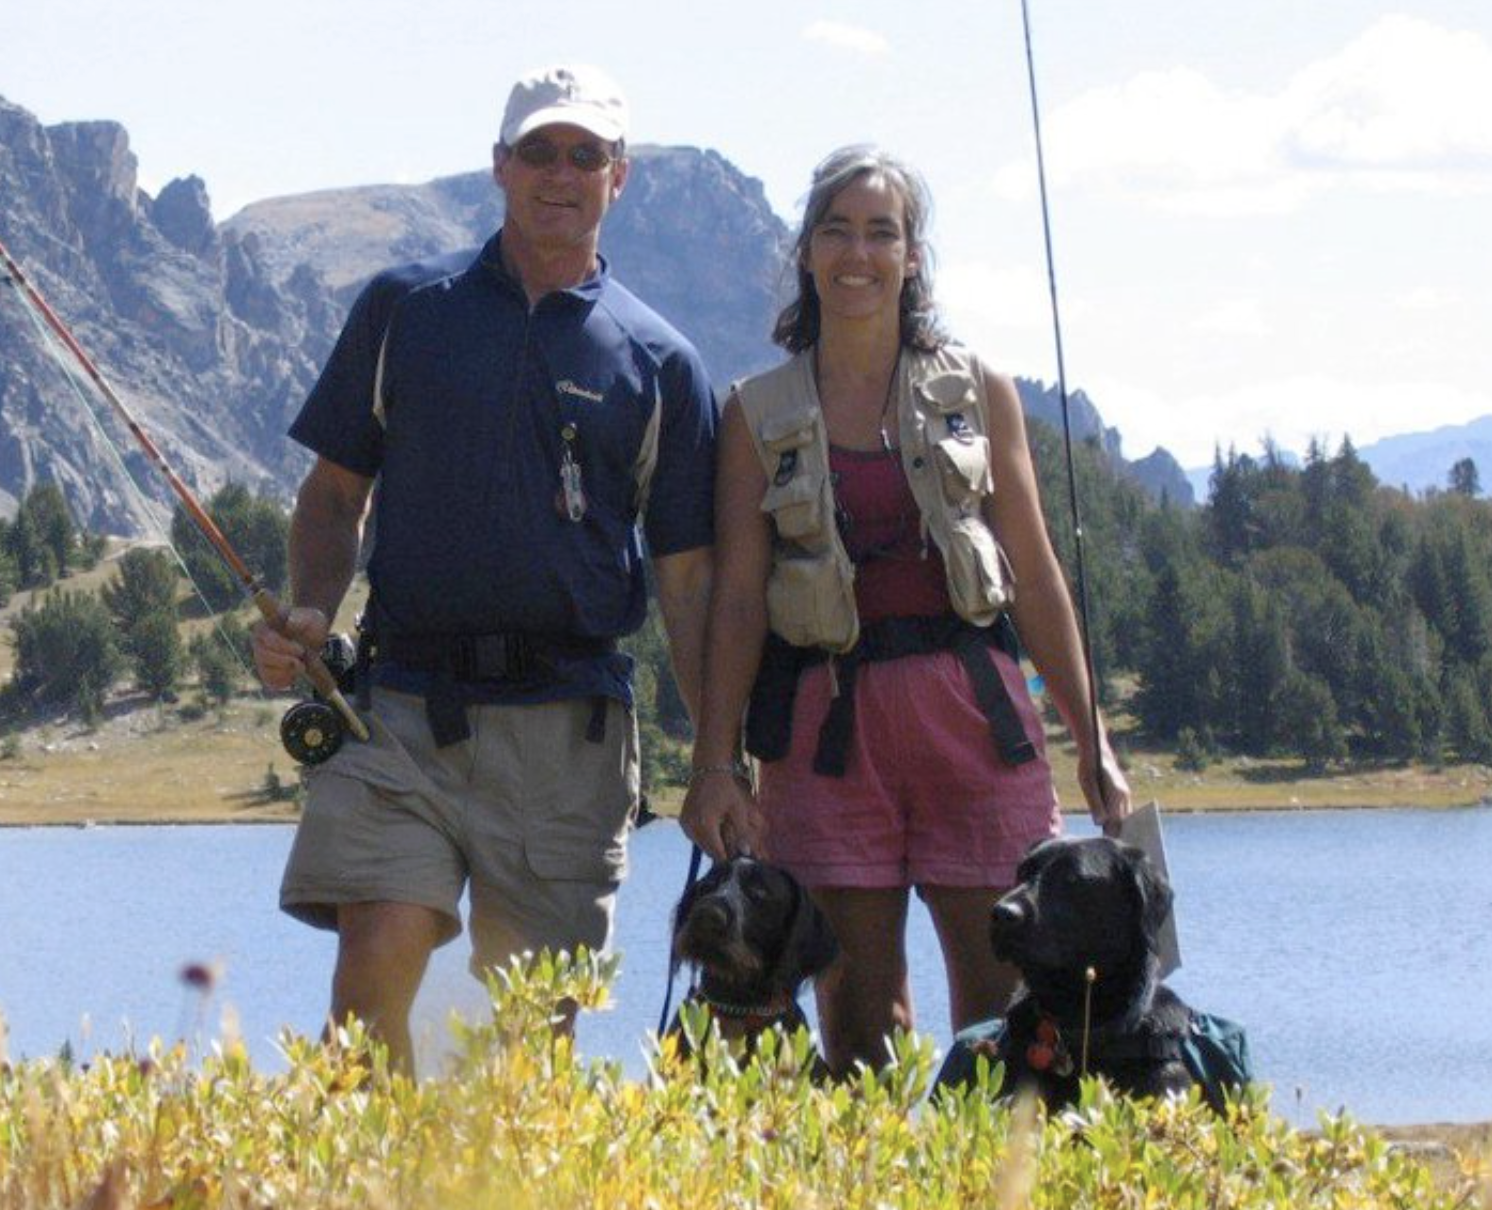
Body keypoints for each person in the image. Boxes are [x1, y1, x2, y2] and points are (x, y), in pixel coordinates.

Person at [252, 64, 717, 1073]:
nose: (561, 174)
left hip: (571, 739)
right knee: (373, 973)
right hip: (400, 711)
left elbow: (686, 584)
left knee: (521, 1053)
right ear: (499, 166)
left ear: (618, 178)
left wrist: (718, 757)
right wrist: (307, 610)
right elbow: (333, 499)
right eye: (539, 153)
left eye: (584, 156)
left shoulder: (660, 362)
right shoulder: (402, 309)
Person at [680, 145, 1131, 1076]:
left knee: (1008, 1018)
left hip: (978, 725)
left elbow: (1038, 577)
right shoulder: (753, 414)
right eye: (836, 230)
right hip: (822, 740)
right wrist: (717, 763)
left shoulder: (980, 392)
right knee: (858, 1027)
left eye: (882, 232)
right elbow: (735, 605)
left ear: (913, 256)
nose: (859, 252)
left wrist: (1093, 738)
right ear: (805, 252)